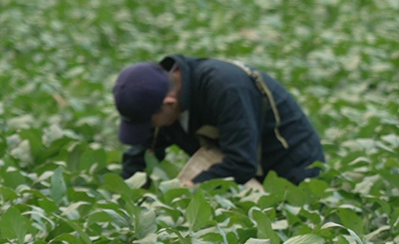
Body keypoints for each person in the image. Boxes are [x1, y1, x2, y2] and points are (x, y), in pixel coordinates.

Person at [113, 55, 324, 187]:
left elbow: (241, 164)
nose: (150, 129)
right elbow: (141, 153)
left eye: (149, 123)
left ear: (169, 104)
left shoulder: (225, 88)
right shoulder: (157, 94)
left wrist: (192, 185)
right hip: (244, 165)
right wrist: (130, 192)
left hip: (291, 169)